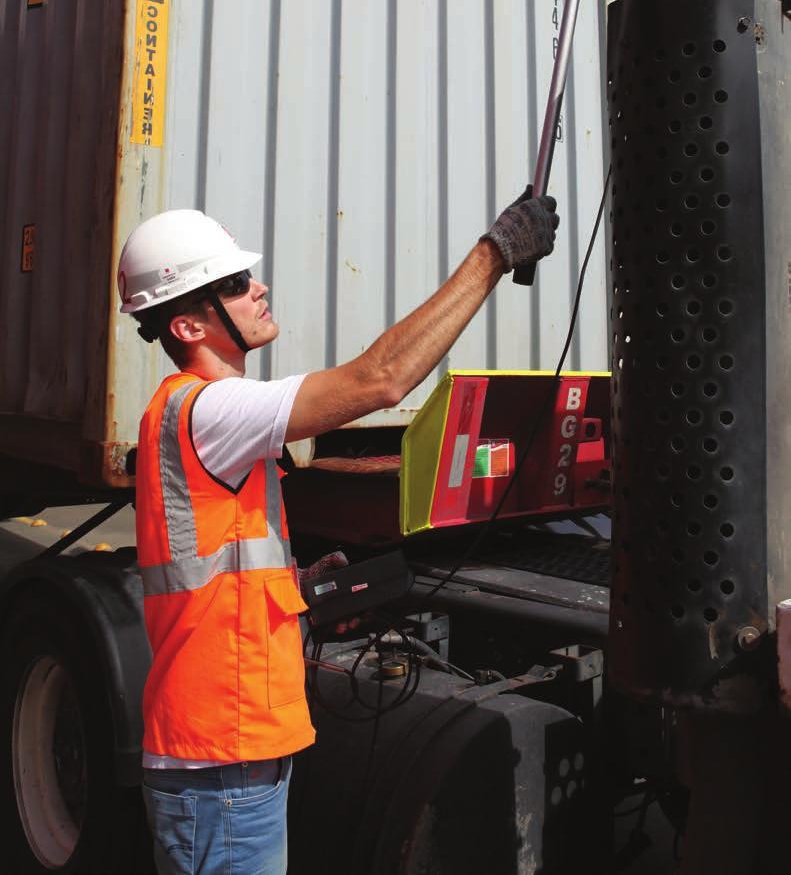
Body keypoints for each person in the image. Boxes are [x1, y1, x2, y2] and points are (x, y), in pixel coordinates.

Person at [117, 189, 558, 875]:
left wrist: (294, 590)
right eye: (234, 285)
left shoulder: (184, 415)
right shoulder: (210, 409)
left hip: (222, 752)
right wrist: (492, 255)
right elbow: (380, 380)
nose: (257, 288)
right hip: (222, 761)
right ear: (189, 328)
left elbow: (208, 567)